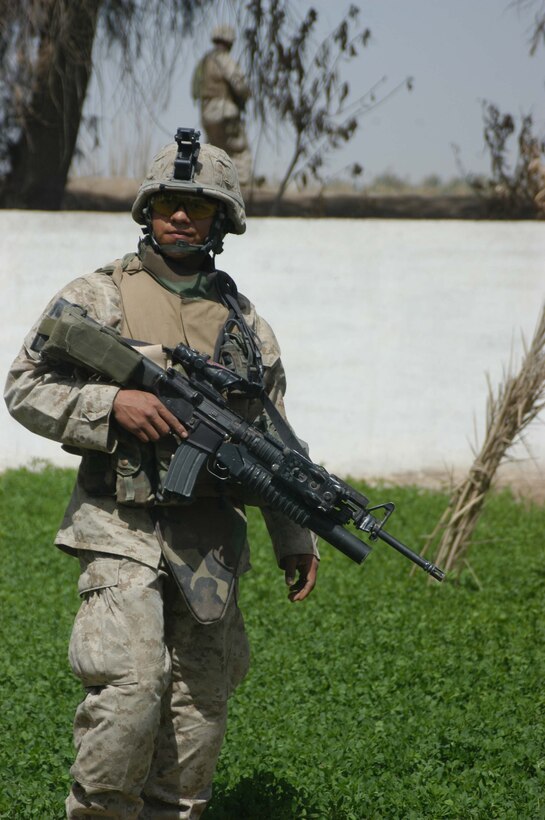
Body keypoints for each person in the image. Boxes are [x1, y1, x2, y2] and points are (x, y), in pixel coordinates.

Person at [4, 130, 319, 819]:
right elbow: (24, 388)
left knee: (200, 696)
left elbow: (272, 445)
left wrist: (294, 537)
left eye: (198, 207)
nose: (180, 217)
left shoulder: (247, 328)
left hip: (209, 538)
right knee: (132, 684)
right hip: (118, 523)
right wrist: (110, 402)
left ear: (221, 222)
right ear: (146, 210)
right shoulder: (99, 296)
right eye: (168, 203)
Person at [191, 25, 252, 187]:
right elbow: (240, 86)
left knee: (212, 155)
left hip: (207, 114)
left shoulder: (204, 62)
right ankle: (241, 192)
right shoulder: (224, 59)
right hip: (225, 112)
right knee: (239, 153)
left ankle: (209, 188)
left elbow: (195, 90)